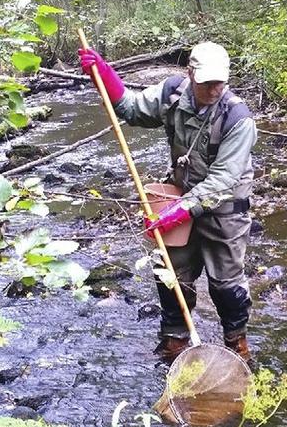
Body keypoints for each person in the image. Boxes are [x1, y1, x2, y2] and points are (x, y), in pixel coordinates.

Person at [78, 41, 257, 359]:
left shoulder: (238, 118)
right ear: (190, 73)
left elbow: (222, 182)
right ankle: (174, 341)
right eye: (207, 83)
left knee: (225, 284)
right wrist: (104, 76)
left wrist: (177, 212)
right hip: (181, 194)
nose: (215, 89)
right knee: (171, 274)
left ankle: (236, 344)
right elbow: (131, 109)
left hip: (225, 207)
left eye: (220, 82)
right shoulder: (173, 93)